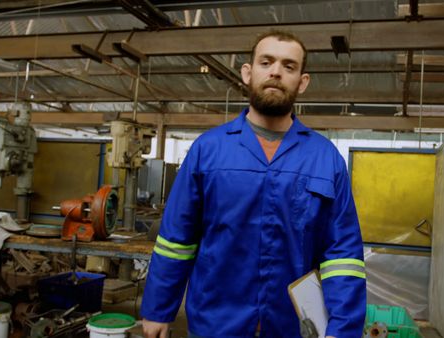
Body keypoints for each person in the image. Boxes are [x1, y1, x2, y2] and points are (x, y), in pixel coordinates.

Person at [140, 30, 366, 338]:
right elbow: (176, 239)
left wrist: (344, 328)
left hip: (293, 326)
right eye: (266, 62)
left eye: (289, 66)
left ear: (302, 81)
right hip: (215, 322)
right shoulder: (208, 150)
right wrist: (157, 309)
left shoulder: (325, 159)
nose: (275, 71)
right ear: (248, 73)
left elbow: (342, 257)